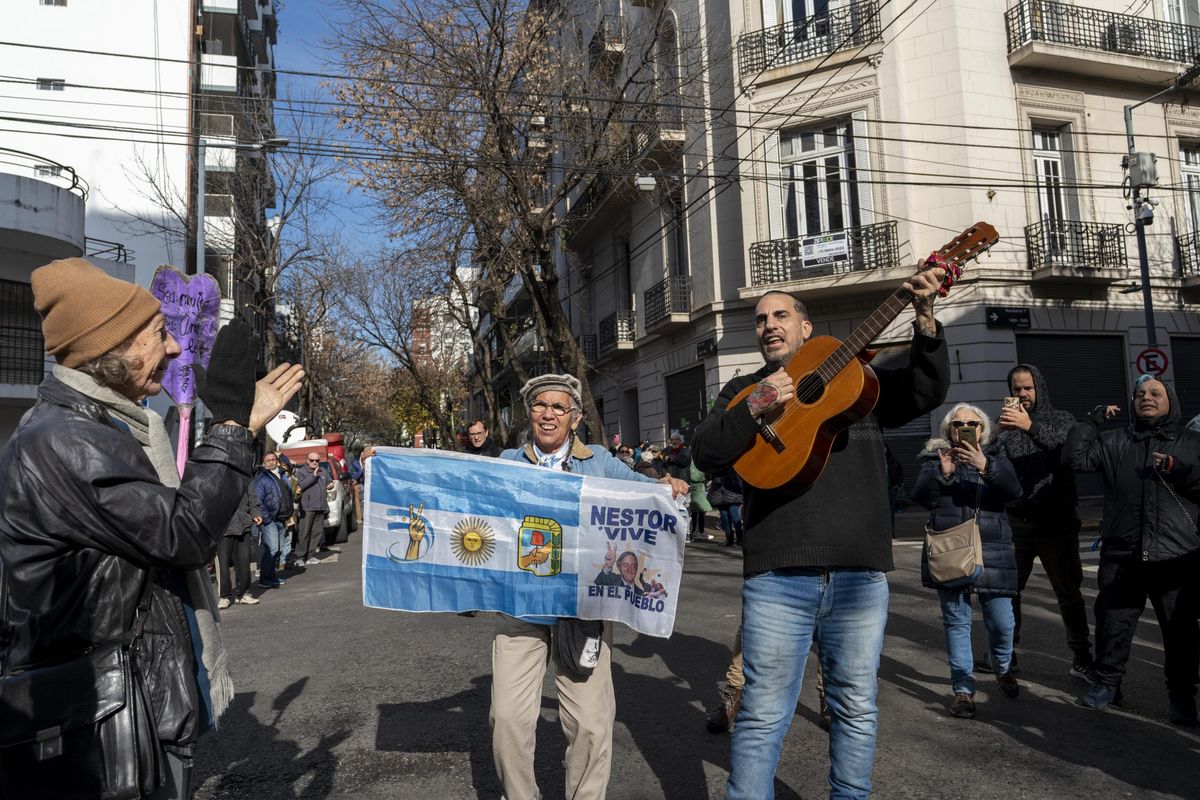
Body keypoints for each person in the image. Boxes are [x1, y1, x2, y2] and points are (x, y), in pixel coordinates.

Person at [0, 258, 304, 799]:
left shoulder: (97, 426)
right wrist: (233, 429)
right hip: (98, 719)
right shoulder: (67, 441)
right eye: (158, 334)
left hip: (129, 696)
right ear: (109, 349)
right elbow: (183, 533)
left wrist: (245, 423)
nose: (172, 349)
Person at [692, 266, 950, 799]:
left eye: (781, 314)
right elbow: (708, 451)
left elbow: (926, 392)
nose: (768, 325)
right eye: (760, 319)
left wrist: (925, 317)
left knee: (855, 705)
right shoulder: (743, 388)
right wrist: (762, 401)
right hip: (777, 571)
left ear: (806, 328)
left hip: (858, 569)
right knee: (763, 711)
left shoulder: (859, 381)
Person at [490, 373, 687, 800]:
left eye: (559, 407)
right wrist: (387, 463)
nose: (548, 414)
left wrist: (664, 486)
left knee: (592, 724)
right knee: (506, 719)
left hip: (581, 614)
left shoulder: (598, 460)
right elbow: (454, 483)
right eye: (540, 405)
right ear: (529, 414)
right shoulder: (507, 460)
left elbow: (642, 489)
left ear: (575, 417)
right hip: (522, 610)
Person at [1065, 376, 1200, 725]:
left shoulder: (1191, 442)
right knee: (1112, 624)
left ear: (1170, 400)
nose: (1147, 398)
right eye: (1140, 394)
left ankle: (1182, 698)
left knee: (1180, 632)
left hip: (1175, 556)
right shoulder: (1115, 441)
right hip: (1122, 555)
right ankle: (1107, 684)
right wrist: (1090, 423)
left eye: (1155, 393)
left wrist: (1181, 472)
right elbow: (1074, 460)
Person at [912, 404, 1021, 719]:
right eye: (957, 423)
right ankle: (963, 690)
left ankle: (1001, 666)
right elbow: (921, 498)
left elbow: (1013, 492)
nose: (964, 427)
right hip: (950, 550)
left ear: (983, 429)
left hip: (993, 549)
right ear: (948, 431)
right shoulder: (937, 459)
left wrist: (985, 466)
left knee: (1003, 623)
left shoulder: (997, 458)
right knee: (957, 623)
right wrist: (943, 476)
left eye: (971, 423)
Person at [995, 363, 1093, 679]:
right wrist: (996, 435)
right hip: (1018, 521)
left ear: (1040, 388)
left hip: (1056, 521)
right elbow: (991, 463)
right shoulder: (1008, 426)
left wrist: (1029, 427)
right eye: (1016, 390)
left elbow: (1066, 452)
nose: (1022, 395)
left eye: (1027, 388)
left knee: (1068, 591)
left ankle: (1081, 656)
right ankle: (1007, 654)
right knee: (1010, 591)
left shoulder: (1061, 419)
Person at [216, 483, 263, 609]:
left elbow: (252, 496)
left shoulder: (244, 473)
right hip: (222, 527)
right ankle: (224, 596)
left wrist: (255, 513)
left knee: (244, 561)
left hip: (243, 524)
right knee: (222, 564)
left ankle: (243, 594)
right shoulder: (216, 471)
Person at [253, 451, 292, 587]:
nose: (270, 462)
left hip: (281, 518)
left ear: (277, 461)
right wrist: (267, 518)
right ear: (264, 463)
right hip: (269, 519)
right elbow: (258, 500)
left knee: (279, 549)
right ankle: (265, 579)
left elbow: (288, 494)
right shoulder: (262, 478)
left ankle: (272, 576)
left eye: (273, 459)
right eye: (268, 460)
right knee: (272, 549)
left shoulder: (282, 475)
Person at [293, 451, 333, 566]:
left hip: (320, 507)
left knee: (316, 533)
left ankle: (310, 555)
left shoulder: (323, 471)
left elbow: (329, 481)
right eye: (312, 460)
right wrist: (313, 476)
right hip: (307, 507)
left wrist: (331, 484)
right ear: (307, 461)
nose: (315, 462)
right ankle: (300, 557)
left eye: (317, 460)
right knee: (304, 532)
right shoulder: (301, 472)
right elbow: (300, 486)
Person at [707, 467, 744, 546]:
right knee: (725, 518)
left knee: (734, 517)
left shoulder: (732, 466)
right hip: (720, 495)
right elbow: (711, 477)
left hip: (732, 494)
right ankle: (729, 539)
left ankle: (740, 539)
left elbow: (736, 480)